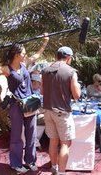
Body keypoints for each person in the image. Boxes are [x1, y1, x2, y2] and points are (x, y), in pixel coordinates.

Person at [0, 34, 49, 173]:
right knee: (17, 136)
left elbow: (37, 55)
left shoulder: (24, 64)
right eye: (23, 52)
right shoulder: (6, 69)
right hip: (16, 105)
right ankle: (16, 163)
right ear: (17, 54)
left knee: (32, 134)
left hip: (30, 103)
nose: (25, 54)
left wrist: (45, 42)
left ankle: (30, 161)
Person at [41, 46, 81, 175]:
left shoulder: (45, 70)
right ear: (68, 58)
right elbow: (77, 95)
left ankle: (54, 167)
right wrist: (78, 86)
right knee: (65, 143)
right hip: (62, 112)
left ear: (57, 56)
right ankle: (62, 173)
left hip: (47, 111)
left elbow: (42, 91)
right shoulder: (71, 72)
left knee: (53, 141)